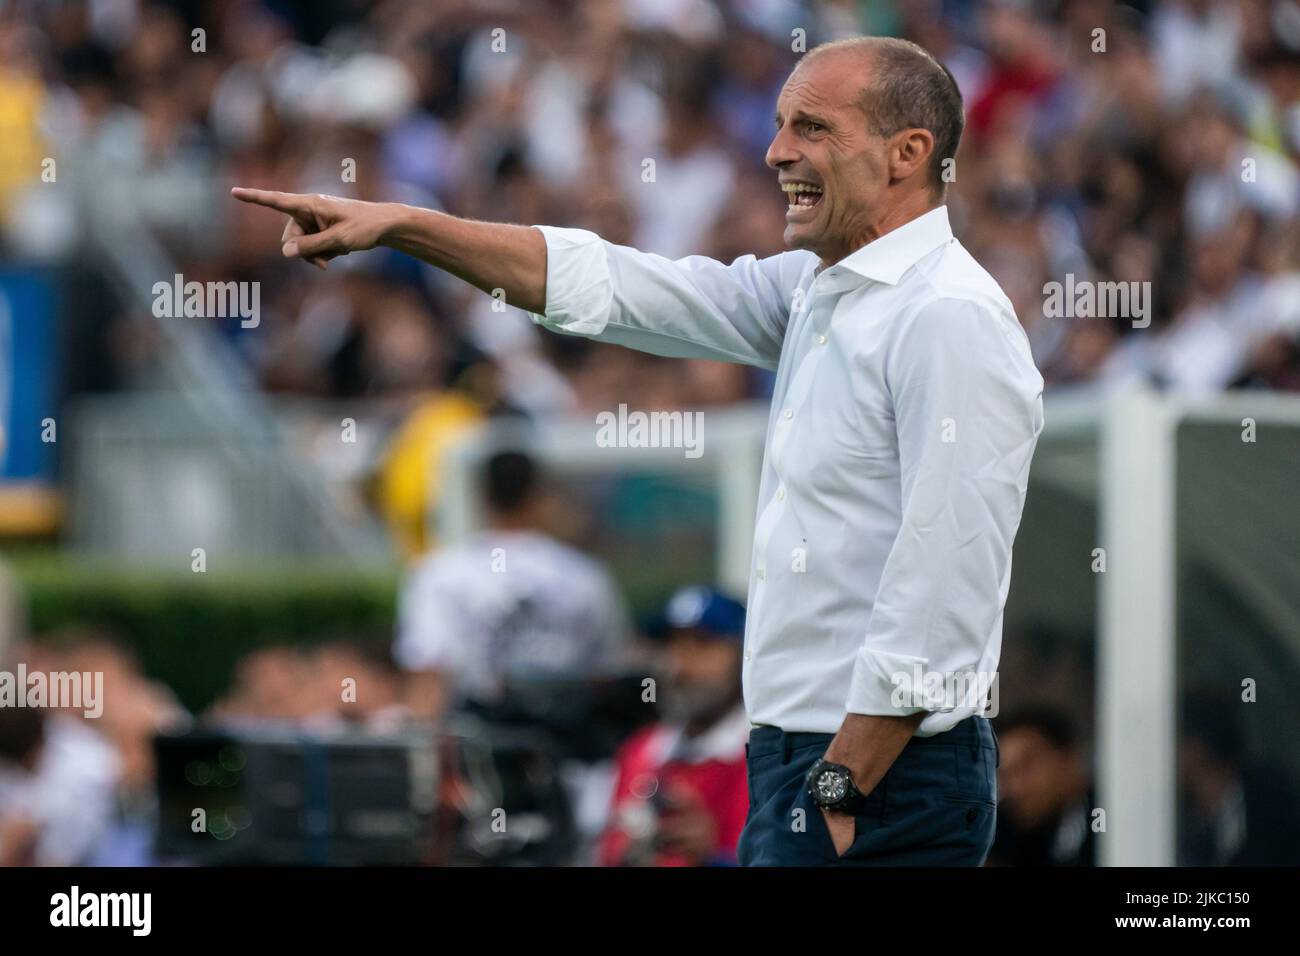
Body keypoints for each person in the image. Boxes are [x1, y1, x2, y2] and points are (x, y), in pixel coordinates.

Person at [233, 34, 1044, 865]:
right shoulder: (819, 292)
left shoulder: (948, 315)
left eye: (812, 128)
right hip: (815, 761)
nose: (776, 152)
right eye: (777, 124)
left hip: (877, 772)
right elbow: (619, 289)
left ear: (908, 154)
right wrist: (408, 228)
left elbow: (949, 580)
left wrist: (843, 784)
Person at [393, 449, 632, 718]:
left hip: (474, 742)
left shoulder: (440, 572)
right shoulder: (584, 574)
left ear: (482, 497)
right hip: (565, 739)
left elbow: (428, 678)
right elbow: (608, 673)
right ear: (539, 496)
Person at [599, 586, 749, 867]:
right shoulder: (642, 750)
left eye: (703, 644)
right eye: (673, 644)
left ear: (745, 654)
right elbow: (608, 850)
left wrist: (713, 856)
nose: (681, 666)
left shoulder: (765, 757)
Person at [987, 707, 1096, 866]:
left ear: (1068, 758)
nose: (1018, 788)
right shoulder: (1015, 834)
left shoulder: (1110, 817)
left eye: (1027, 766)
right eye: (1006, 774)